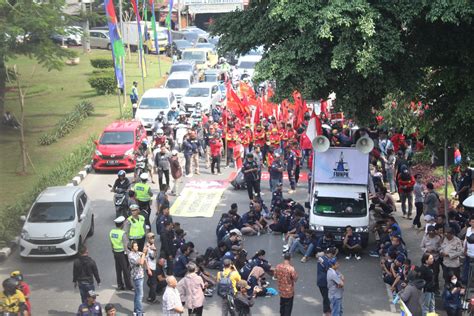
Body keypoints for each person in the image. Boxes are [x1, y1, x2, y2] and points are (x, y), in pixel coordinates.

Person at [109, 215, 133, 291]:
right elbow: (125, 246)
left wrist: (113, 250)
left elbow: (111, 243)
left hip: (115, 253)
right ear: (122, 224)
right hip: (122, 253)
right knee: (126, 270)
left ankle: (120, 285)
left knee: (118, 269)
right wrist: (129, 255)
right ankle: (128, 286)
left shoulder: (112, 232)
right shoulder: (123, 233)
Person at [128, 240, 148, 315]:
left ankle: (136, 310)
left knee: (137, 294)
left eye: (137, 245)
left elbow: (143, 254)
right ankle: (139, 312)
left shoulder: (137, 253)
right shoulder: (131, 255)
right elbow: (141, 262)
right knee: (140, 295)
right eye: (135, 246)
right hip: (137, 277)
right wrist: (143, 254)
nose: (137, 247)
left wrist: (145, 249)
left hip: (140, 275)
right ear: (132, 248)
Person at [317, 247, 338, 316]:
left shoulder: (322, 258)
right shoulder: (325, 261)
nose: (332, 257)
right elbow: (330, 269)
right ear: (330, 254)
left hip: (320, 280)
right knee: (326, 297)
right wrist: (335, 266)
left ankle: (327, 310)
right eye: (332, 255)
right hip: (324, 281)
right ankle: (326, 312)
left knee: (326, 296)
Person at [145, 232, 159, 304]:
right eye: (151, 238)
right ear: (148, 239)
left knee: (152, 282)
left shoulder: (152, 245)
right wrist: (149, 269)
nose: (153, 239)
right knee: (154, 284)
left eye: (153, 237)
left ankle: (150, 296)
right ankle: (152, 298)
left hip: (153, 266)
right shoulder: (146, 247)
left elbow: (155, 256)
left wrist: (154, 250)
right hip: (150, 268)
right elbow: (145, 259)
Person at [462, 215, 474, 285]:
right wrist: (465, 250)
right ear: (470, 222)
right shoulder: (468, 229)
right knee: (466, 268)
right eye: (472, 222)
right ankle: (466, 282)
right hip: (468, 252)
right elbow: (466, 240)